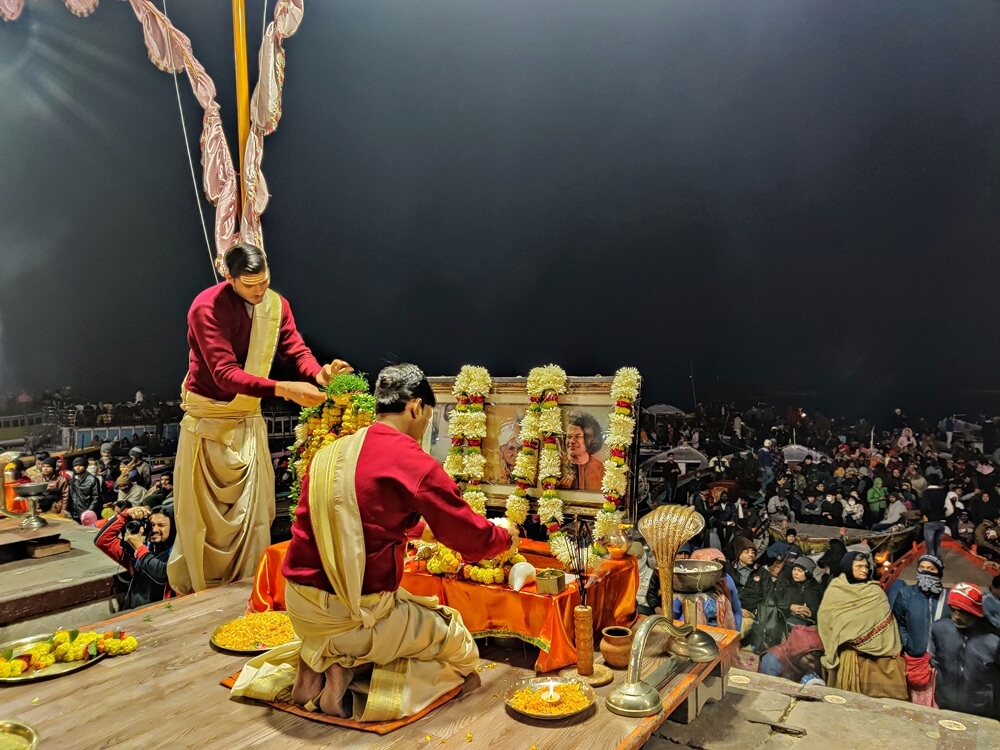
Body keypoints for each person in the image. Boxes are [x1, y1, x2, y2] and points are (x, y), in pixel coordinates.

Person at [232, 364, 515, 721]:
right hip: (349, 615)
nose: (425, 425)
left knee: (406, 609)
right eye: (428, 416)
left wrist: (417, 531)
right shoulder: (414, 462)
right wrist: (505, 538)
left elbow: (353, 514)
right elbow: (471, 539)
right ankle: (350, 675)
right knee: (459, 645)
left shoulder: (333, 452)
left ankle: (328, 663)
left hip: (301, 610)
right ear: (416, 408)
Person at [168, 243, 353, 595]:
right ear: (229, 277)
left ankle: (251, 590)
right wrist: (284, 389)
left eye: (264, 281)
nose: (259, 291)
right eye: (250, 284)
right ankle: (202, 594)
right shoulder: (206, 308)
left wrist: (321, 375)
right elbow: (224, 373)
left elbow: (295, 350)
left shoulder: (275, 304)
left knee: (255, 520)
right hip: (209, 421)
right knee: (204, 524)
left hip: (247, 421)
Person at [817, 551, 908, 699]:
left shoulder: (875, 593)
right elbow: (826, 620)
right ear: (847, 567)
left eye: (866, 567)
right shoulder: (835, 589)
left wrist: (857, 638)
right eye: (859, 566)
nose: (864, 570)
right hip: (846, 659)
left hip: (873, 664)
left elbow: (886, 628)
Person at [931, 583, 1000, 718]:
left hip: (983, 713)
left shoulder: (994, 639)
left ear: (974, 611)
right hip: (946, 707)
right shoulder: (939, 629)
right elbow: (935, 661)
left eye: (962, 611)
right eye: (953, 609)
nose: (956, 616)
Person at [891, 554, 951, 705]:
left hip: (943, 663)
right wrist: (908, 644)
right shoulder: (905, 594)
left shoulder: (949, 597)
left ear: (939, 572)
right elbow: (899, 621)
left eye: (931, 569)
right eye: (922, 568)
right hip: (915, 661)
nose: (926, 572)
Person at [94, 504, 175, 609]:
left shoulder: (179, 551)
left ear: (173, 527)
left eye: (161, 525)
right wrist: (125, 515)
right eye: (151, 524)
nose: (154, 529)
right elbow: (103, 541)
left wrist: (140, 548)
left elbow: (163, 574)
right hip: (134, 613)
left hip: (162, 614)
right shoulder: (140, 549)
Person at [758, 625, 825, 686]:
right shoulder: (773, 660)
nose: (813, 666)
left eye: (817, 661)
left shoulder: (806, 663)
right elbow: (768, 687)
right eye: (810, 660)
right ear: (798, 653)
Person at [563, 412, 605, 491]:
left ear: (590, 440)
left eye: (578, 436)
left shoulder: (600, 469)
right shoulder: (556, 465)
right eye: (569, 436)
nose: (572, 441)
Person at [68, 456, 100, 521]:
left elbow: (96, 497)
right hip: (73, 511)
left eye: (80, 465)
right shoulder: (72, 479)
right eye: (75, 465)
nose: (77, 468)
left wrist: (89, 511)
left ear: (85, 466)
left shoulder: (92, 479)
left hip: (86, 511)